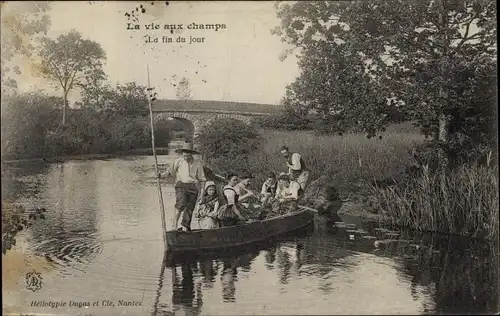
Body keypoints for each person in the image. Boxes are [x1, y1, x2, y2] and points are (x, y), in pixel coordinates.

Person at [159, 142, 206, 231]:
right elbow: (169, 171)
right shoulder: (179, 161)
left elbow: (202, 179)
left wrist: (202, 192)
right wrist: (161, 175)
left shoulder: (197, 163)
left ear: (191, 154)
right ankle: (174, 225)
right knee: (180, 204)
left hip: (193, 186)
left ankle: (185, 226)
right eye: (184, 155)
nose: (186, 158)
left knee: (190, 208)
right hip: (181, 185)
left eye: (188, 156)